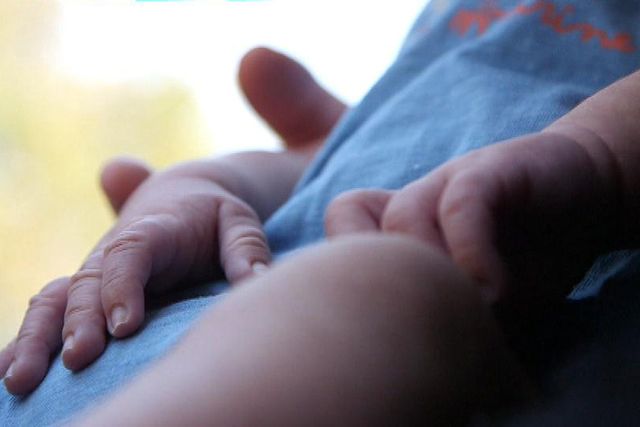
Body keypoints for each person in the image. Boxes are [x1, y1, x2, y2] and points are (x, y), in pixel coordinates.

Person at [2, 0, 640, 424]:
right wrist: (193, 189)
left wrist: (596, 157)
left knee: (389, 282)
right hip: (82, 371)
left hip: (428, 331)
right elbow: (338, 166)